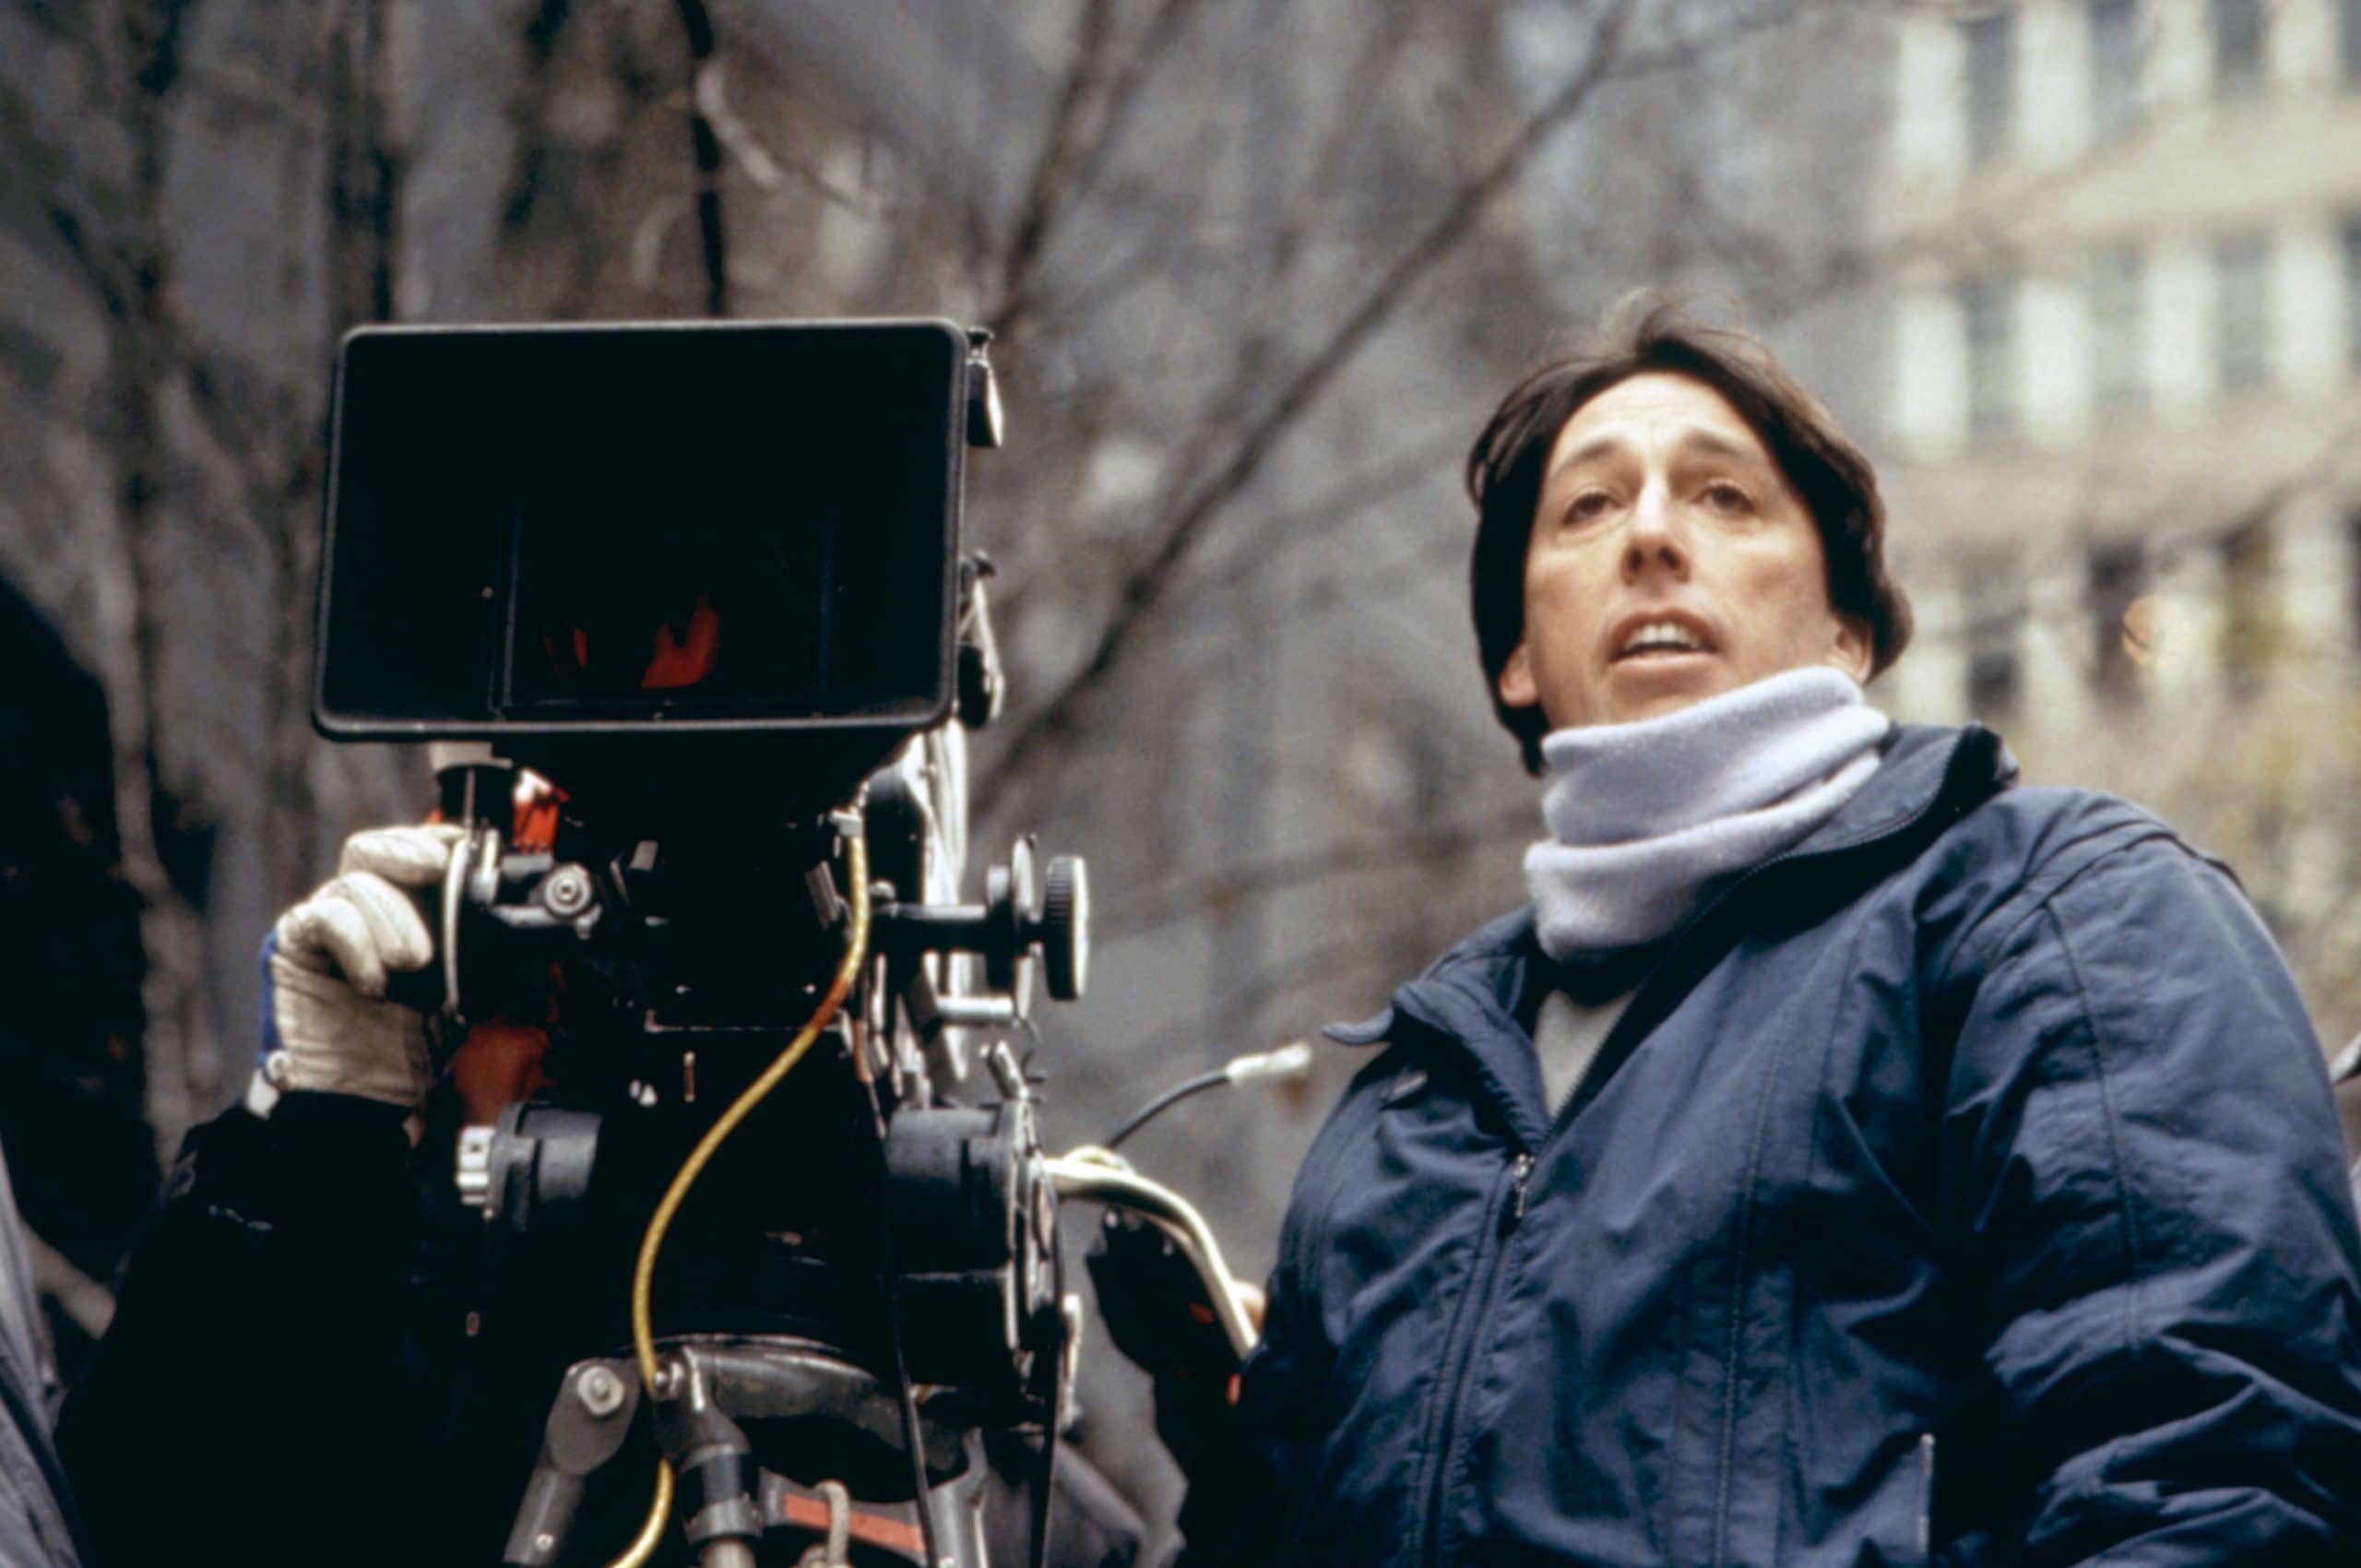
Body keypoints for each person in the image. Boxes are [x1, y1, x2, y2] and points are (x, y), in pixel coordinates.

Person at [1152, 301, 2361, 1564]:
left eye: (1725, 499)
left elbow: (2212, 1479)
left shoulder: (2052, 912)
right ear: (1515, 653)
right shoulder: (1401, 1111)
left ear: (1850, 632)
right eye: (1589, 508)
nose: (1656, 538)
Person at [57, 802, 1147, 1567]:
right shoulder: (389, 1355)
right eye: (518, 984)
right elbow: (134, 1524)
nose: (560, 1042)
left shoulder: (997, 1486)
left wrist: (1236, 1424)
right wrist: (316, 1133)